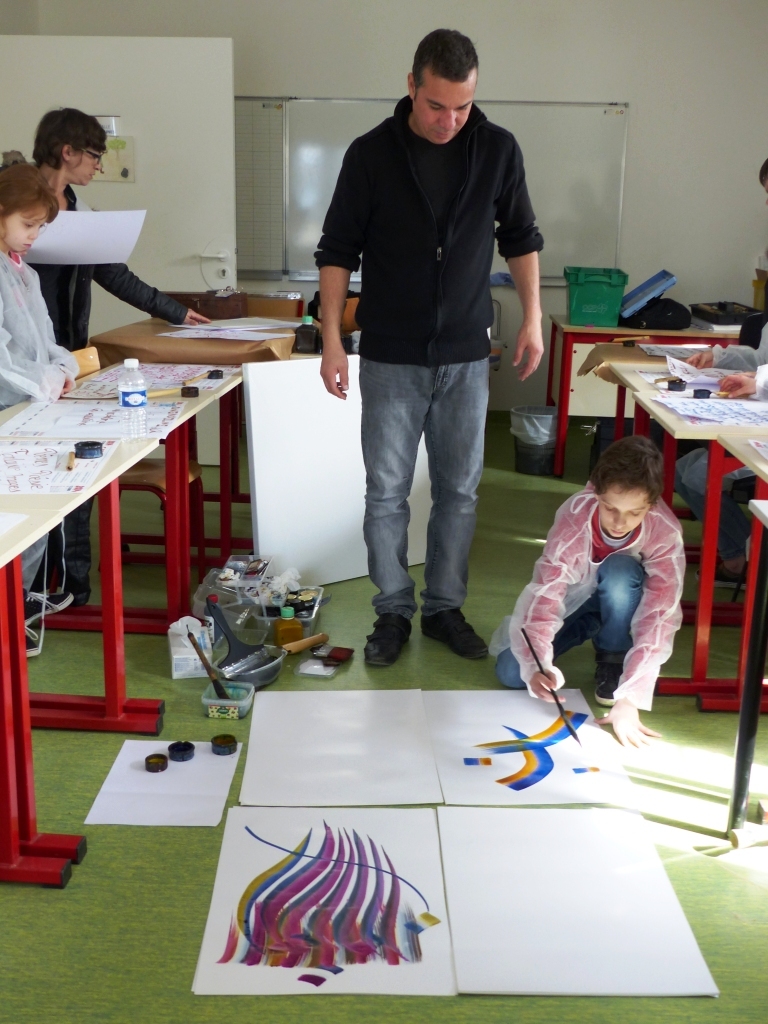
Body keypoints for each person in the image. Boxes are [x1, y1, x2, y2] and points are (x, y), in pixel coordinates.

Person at [315, 29, 544, 666]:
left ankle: (445, 608)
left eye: (462, 107)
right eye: (437, 105)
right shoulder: (371, 154)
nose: (449, 121)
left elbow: (521, 236)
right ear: (411, 85)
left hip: (467, 356)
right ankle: (392, 611)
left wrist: (532, 317)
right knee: (386, 492)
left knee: (459, 492)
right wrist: (333, 339)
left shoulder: (497, 149)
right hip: (391, 356)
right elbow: (337, 251)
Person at [27, 108, 210, 606]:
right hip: (24, 364)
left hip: (71, 357)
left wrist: (175, 311)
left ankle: (72, 585)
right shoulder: (16, 203)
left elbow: (115, 274)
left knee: (77, 466)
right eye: (93, 155)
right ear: (66, 151)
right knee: (37, 473)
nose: (99, 166)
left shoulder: (79, 211)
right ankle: (38, 586)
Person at [490, 437, 685, 748]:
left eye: (635, 513)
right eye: (610, 508)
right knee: (512, 673)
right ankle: (593, 624)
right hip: (580, 601)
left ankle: (613, 653)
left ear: (652, 505)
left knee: (620, 570)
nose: (620, 522)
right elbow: (545, 593)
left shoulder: (664, 530)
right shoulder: (575, 517)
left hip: (626, 600)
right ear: (596, 493)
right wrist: (538, 665)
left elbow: (660, 616)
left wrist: (630, 698)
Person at [675, 159, 768, 586]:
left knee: (698, 473)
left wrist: (759, 381)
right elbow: (762, 357)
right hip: (759, 416)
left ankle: (744, 559)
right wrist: (720, 357)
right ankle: (741, 553)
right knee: (684, 469)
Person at [0, 163, 79, 655]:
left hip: (29, 411)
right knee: (14, 515)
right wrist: (39, 378)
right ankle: (9, 608)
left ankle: (22, 599)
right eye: (27, 224)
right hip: (7, 410)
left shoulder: (22, 272)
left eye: (39, 227)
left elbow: (46, 339)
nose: (33, 236)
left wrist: (61, 365)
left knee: (38, 509)